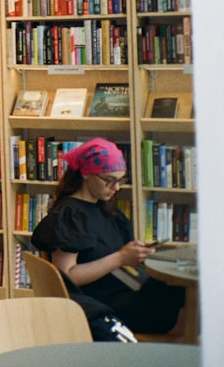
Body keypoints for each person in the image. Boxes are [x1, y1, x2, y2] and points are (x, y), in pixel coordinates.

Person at [31, 137, 185, 335]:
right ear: (86, 174)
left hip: (125, 287)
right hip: (101, 303)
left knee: (184, 289)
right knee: (185, 301)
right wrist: (120, 258)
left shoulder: (104, 206)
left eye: (120, 180)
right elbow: (67, 278)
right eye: (110, 180)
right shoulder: (70, 215)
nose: (117, 187)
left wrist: (134, 253)